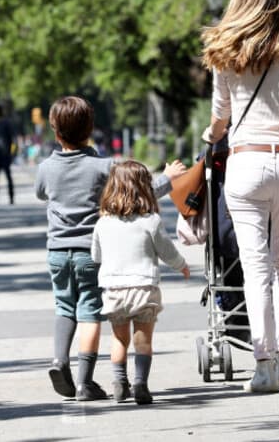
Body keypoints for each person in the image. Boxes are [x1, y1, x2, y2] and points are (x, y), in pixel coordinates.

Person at [201, 0, 279, 393]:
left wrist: (210, 138)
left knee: (256, 267)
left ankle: (263, 364)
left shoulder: (224, 52)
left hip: (246, 164)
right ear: (275, 1)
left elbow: (220, 119)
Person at [35, 95, 185, 401]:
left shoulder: (46, 168)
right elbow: (137, 192)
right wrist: (167, 180)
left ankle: (59, 360)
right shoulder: (103, 166)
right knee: (89, 312)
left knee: (64, 308)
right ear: (90, 128)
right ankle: (84, 382)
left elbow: (41, 194)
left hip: (57, 252)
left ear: (54, 130)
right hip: (90, 251)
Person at [92, 160, 190, 405]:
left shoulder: (103, 222)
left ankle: (119, 383)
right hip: (144, 288)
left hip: (114, 290)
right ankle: (140, 384)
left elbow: (96, 256)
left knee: (119, 339)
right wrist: (182, 265)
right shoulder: (151, 220)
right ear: (145, 188)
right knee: (143, 339)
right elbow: (166, 251)